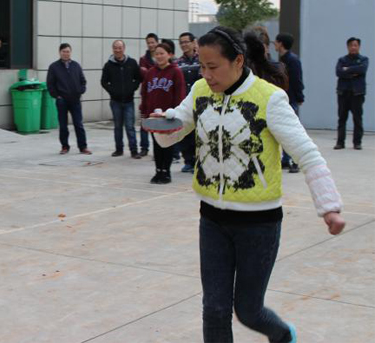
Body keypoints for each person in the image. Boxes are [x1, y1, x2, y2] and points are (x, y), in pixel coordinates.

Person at [148, 26, 346, 343]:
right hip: (212, 219)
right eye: (202, 66)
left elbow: (307, 154)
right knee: (214, 308)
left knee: (248, 310)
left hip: (259, 225)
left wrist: (329, 207)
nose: (206, 74)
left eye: (213, 67)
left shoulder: (270, 99)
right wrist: (162, 122)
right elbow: (177, 126)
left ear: (238, 61)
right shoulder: (200, 91)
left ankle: (282, 334)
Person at [140, 43, 186, 184]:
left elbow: (180, 94)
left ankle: (166, 172)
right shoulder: (150, 73)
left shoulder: (175, 72)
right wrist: (145, 111)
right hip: (154, 116)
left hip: (168, 116)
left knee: (167, 145)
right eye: (157, 54)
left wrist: (177, 112)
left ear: (170, 55)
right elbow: (145, 93)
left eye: (162, 53)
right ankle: (158, 171)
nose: (159, 56)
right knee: (156, 145)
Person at [46, 43, 92, 155]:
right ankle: (64, 146)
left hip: (75, 100)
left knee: (78, 124)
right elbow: (50, 84)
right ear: (60, 52)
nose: (66, 53)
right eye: (64, 51)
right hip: (62, 100)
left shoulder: (76, 65)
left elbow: (83, 81)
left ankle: (83, 147)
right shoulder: (54, 67)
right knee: (63, 125)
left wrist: (80, 91)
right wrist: (57, 96)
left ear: (70, 52)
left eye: (68, 51)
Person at [101, 40, 142, 158]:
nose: (117, 50)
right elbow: (104, 82)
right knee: (118, 127)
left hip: (129, 101)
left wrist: (132, 89)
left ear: (124, 48)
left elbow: (138, 78)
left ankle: (134, 151)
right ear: (112, 49)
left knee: (130, 127)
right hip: (115, 101)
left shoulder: (132, 63)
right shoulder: (108, 65)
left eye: (120, 48)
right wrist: (112, 91)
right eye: (115, 48)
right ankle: (119, 149)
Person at [274, 33, 304, 173]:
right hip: (284, 99)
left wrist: (299, 97)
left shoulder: (293, 60)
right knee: (284, 130)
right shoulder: (284, 60)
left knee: (291, 132)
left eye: (276, 42)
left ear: (280, 44)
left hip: (291, 99)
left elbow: (297, 80)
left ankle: (295, 161)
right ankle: (286, 160)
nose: (274, 44)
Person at [335, 37, 369, 150]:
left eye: (355, 45)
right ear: (348, 47)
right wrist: (353, 72)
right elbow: (338, 71)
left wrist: (347, 70)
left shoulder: (364, 59)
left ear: (359, 46)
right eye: (351, 45)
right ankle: (340, 142)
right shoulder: (342, 60)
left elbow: (362, 70)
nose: (353, 47)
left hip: (357, 93)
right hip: (343, 93)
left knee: (357, 119)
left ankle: (357, 142)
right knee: (342, 118)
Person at [176, 32, 201, 174]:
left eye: (186, 42)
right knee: (185, 133)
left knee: (199, 134)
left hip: (200, 103)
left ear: (193, 43)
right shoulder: (178, 63)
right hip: (185, 103)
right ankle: (188, 161)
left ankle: (198, 161)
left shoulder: (201, 60)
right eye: (182, 43)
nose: (184, 45)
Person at [138, 33, 159, 157]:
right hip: (147, 93)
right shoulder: (143, 59)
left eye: (153, 42)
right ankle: (144, 147)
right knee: (144, 120)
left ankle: (160, 148)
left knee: (159, 122)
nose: (151, 45)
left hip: (159, 93)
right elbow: (142, 75)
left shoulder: (161, 56)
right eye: (149, 43)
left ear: (157, 42)